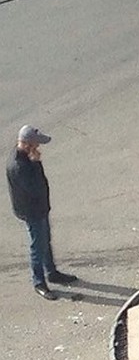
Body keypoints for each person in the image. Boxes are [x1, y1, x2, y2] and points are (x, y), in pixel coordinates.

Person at [7, 125, 77, 301]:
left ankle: (52, 272)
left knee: (45, 240)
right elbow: (35, 188)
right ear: (28, 144)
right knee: (37, 246)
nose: (38, 148)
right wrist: (37, 163)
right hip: (32, 211)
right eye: (36, 145)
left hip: (39, 208)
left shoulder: (25, 159)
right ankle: (39, 282)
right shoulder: (19, 166)